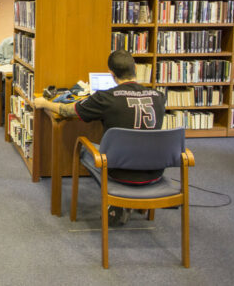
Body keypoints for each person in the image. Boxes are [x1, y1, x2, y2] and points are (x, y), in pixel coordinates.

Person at [34, 50, 165, 226]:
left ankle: (118, 198)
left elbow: (69, 110)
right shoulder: (159, 97)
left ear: (111, 74)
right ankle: (130, 203)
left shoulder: (105, 98)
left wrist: (44, 103)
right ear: (135, 69)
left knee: (82, 148)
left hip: (118, 171)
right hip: (154, 172)